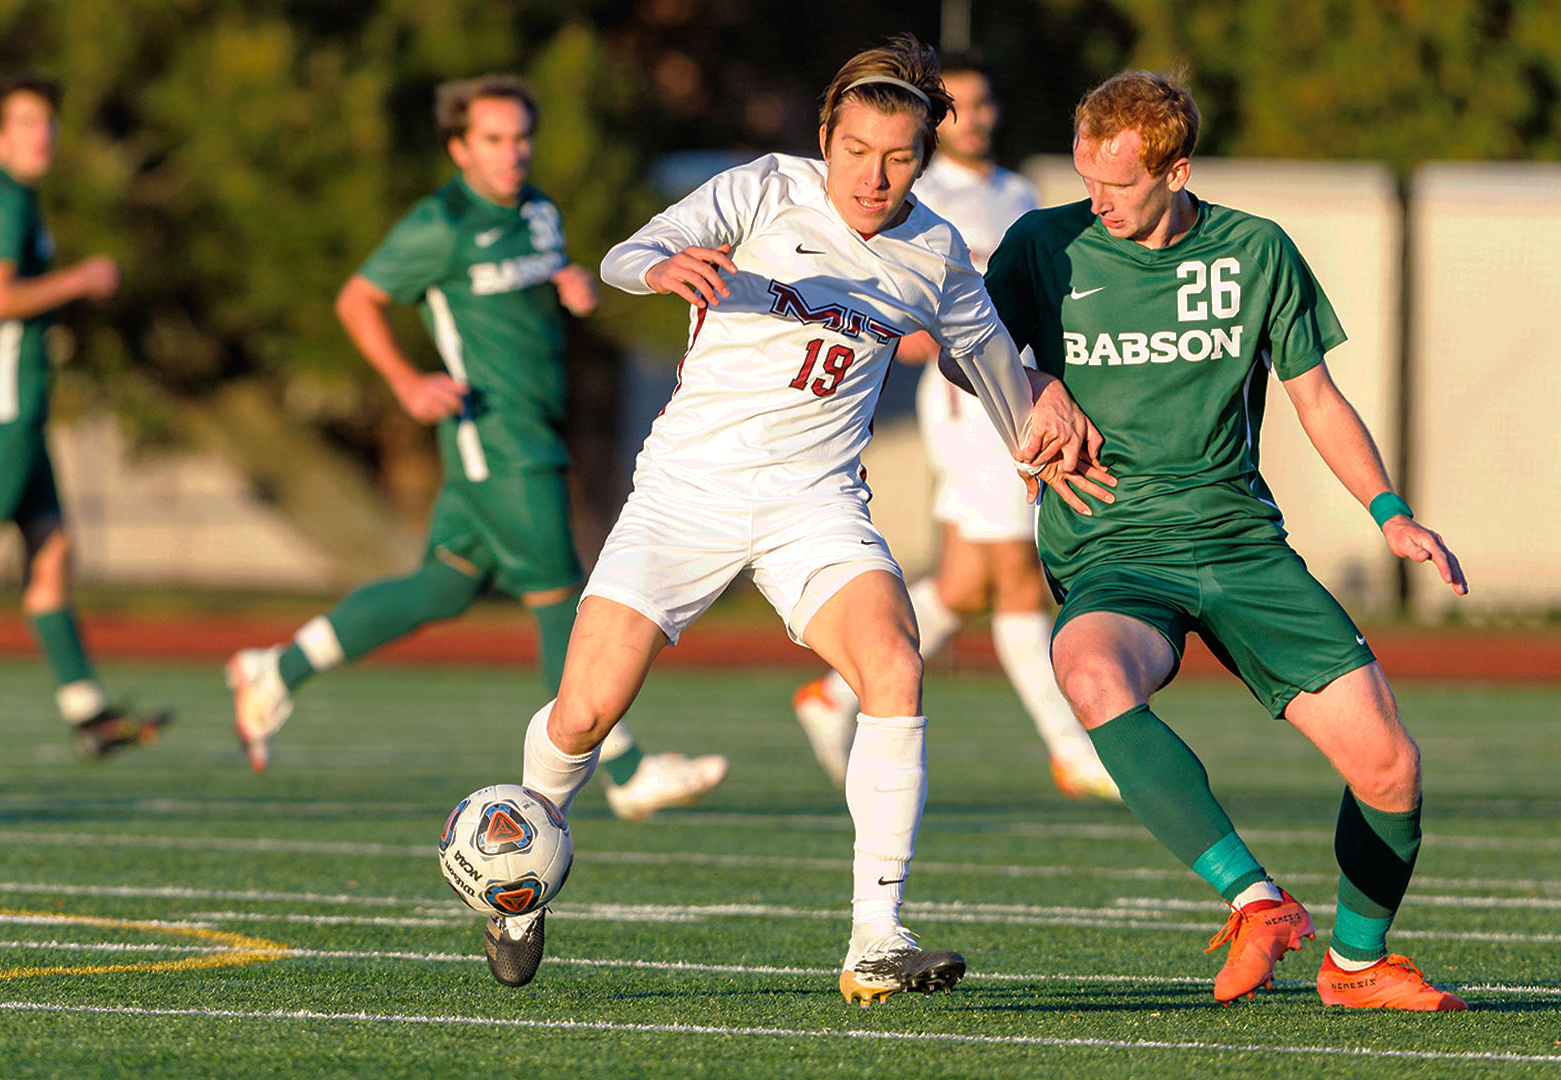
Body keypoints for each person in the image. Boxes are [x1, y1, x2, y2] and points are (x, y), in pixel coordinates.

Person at [489, 35, 1112, 1002]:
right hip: (685, 492)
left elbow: (986, 365)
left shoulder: (935, 250)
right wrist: (663, 270)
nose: (874, 174)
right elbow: (626, 253)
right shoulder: (763, 189)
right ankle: (518, 880)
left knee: (895, 665)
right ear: (827, 136)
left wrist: (1041, 421)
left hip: (813, 504)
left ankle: (876, 936)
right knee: (584, 713)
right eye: (857, 150)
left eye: (900, 157)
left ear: (925, 156)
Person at [984, 70, 1470, 1010]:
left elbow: (1316, 398)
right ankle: (1256, 901)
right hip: (1112, 542)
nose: (1100, 205)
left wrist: (1390, 512)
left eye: (1119, 187)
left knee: (1391, 767)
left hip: (1240, 542)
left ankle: (1358, 966)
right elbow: (973, 346)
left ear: (1177, 170)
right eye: (1089, 182)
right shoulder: (1045, 244)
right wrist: (1031, 392)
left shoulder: (1255, 249)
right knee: (1087, 671)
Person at [225, 75, 727, 824]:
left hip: (529, 424)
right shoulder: (440, 222)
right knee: (561, 594)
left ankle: (276, 669)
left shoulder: (539, 210)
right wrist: (405, 382)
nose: (512, 153)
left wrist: (566, 283)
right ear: (460, 147)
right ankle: (625, 770)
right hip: (494, 433)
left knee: (443, 587)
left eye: (521, 136)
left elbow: (522, 282)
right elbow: (356, 299)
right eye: (493, 139)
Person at [792, 50, 1118, 802]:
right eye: (958, 106)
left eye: (983, 103)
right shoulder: (913, 190)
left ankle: (832, 697)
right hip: (965, 406)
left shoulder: (1017, 190)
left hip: (1012, 384)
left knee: (971, 580)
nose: (974, 118)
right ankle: (1070, 746)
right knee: (1017, 574)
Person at [0, 72, 169, 756]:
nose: (43, 135)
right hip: (5, 408)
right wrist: (81, 280)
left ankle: (90, 714)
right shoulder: (3, 203)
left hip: (5, 406)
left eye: (48, 122)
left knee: (51, 556)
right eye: (26, 122)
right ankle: (90, 715)